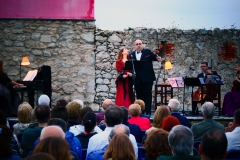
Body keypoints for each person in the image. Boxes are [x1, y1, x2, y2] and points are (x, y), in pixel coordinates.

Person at [130, 40, 162, 116]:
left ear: (142, 45)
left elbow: (155, 57)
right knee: (139, 95)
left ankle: (148, 112)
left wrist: (158, 58)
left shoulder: (148, 52)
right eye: (137, 44)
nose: (138, 45)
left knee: (148, 95)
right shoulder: (131, 55)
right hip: (137, 79)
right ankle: (140, 112)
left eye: (140, 44)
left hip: (148, 78)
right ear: (134, 46)